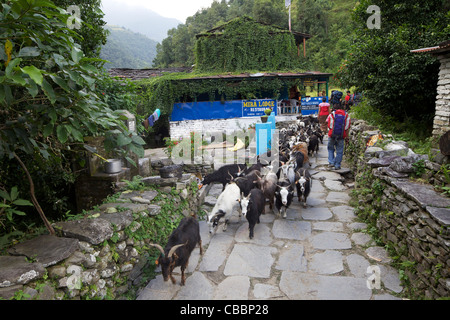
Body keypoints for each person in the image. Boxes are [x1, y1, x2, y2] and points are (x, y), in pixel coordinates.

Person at [326, 105, 351, 170]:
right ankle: (337, 165)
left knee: (330, 148)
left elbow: (329, 125)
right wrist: (347, 137)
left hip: (332, 134)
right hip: (341, 135)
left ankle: (331, 162)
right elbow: (347, 128)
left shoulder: (332, 114)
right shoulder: (346, 115)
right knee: (339, 150)